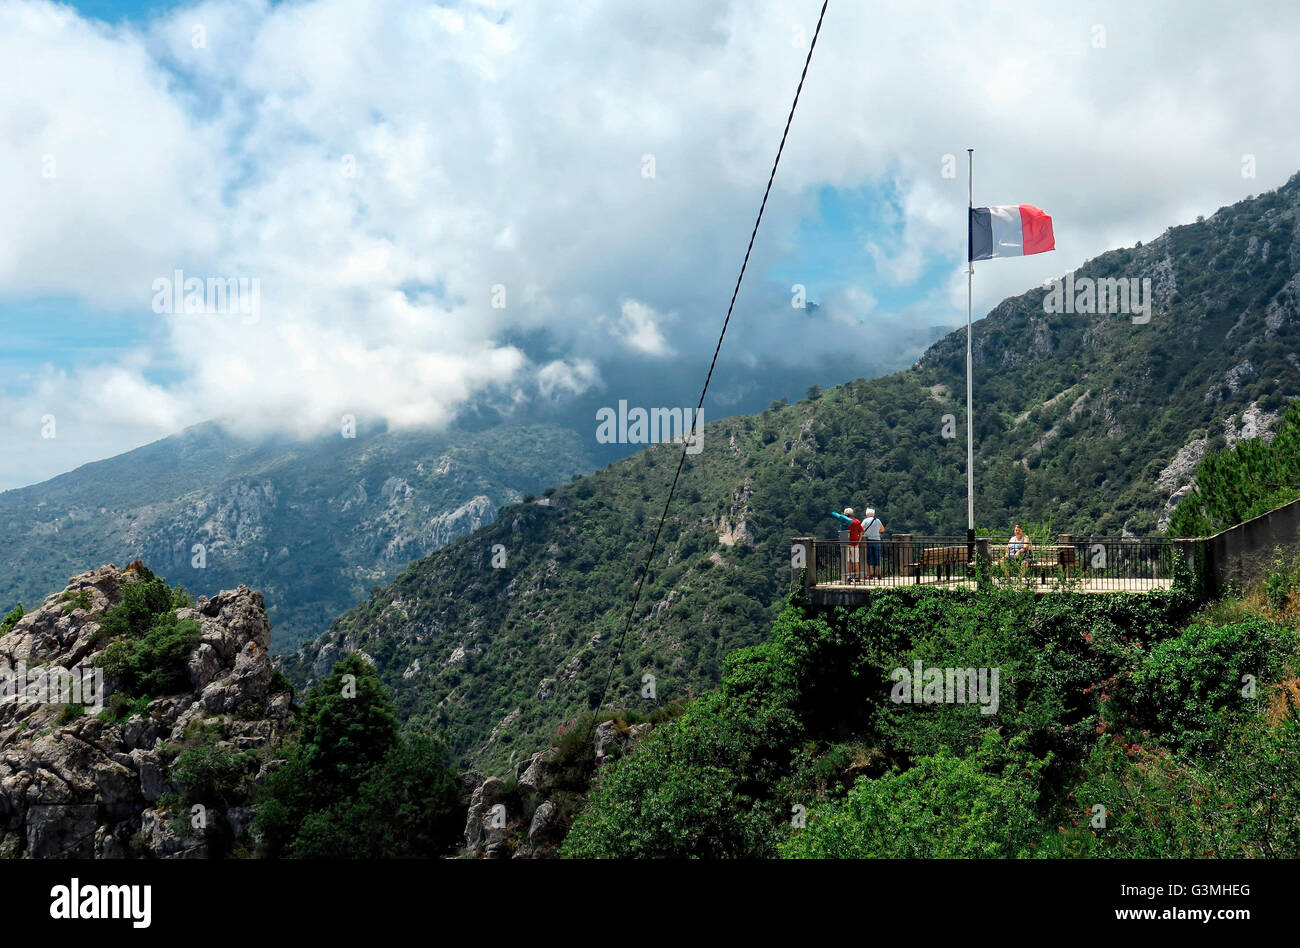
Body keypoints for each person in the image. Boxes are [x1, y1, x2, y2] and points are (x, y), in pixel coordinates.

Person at [830, 507, 863, 582]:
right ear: (852, 514)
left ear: (845, 514)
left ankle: (848, 576)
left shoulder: (844, 522)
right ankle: (857, 576)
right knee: (856, 560)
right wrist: (859, 541)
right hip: (855, 543)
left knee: (847, 560)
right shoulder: (857, 521)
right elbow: (861, 532)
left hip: (846, 543)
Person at [859, 508, 885, 578]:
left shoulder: (865, 521)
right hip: (877, 540)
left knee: (870, 557)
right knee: (877, 557)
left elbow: (860, 529)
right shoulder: (877, 520)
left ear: (867, 514)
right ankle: (879, 574)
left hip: (869, 540)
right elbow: (882, 529)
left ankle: (870, 574)